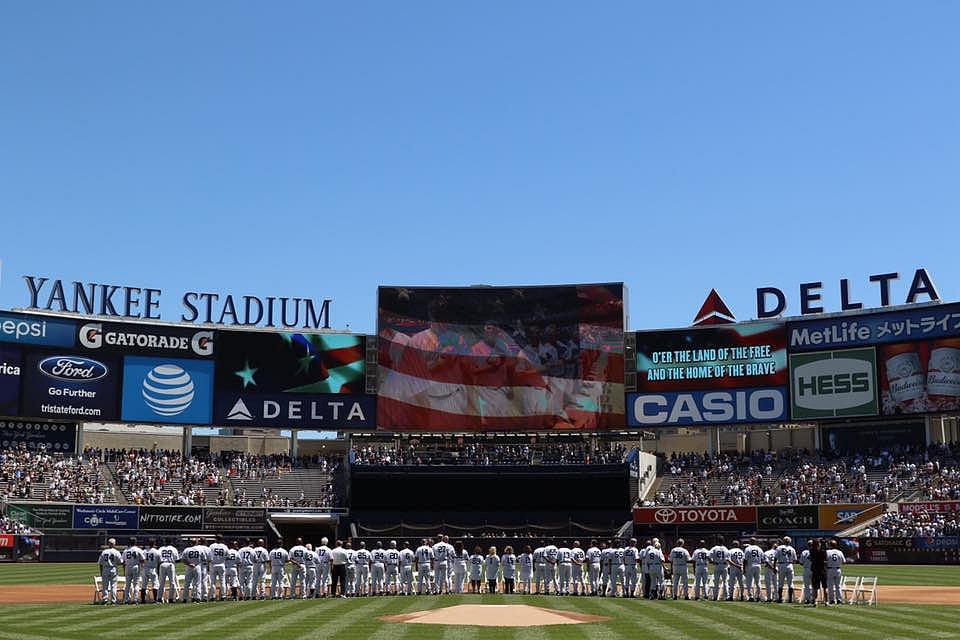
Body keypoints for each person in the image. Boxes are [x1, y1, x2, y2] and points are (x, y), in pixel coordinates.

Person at [98, 538, 123, 605]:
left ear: (108, 543)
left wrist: (101, 572)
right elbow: (120, 562)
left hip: (105, 569)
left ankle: (105, 599)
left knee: (105, 585)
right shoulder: (116, 552)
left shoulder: (104, 552)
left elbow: (100, 563)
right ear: (114, 544)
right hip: (113, 568)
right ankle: (113, 600)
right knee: (113, 586)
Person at [122, 536, 145, 604]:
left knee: (127, 584)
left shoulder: (126, 550)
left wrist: (124, 569)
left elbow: (123, 561)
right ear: (135, 542)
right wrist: (142, 567)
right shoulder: (138, 550)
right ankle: (135, 599)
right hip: (135, 566)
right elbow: (142, 560)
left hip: (128, 566)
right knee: (136, 584)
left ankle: (126, 599)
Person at [158, 537, 180, 604]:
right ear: (171, 542)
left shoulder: (161, 548)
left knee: (161, 582)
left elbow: (158, 558)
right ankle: (170, 599)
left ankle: (159, 598)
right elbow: (177, 559)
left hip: (162, 564)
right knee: (172, 583)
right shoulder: (173, 549)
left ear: (165, 541)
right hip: (170, 565)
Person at [776, 536, 798, 603]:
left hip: (782, 564)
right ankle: (790, 599)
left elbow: (775, 558)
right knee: (790, 583)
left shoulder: (779, 548)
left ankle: (780, 598)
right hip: (789, 565)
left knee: (780, 583)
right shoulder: (792, 548)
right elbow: (795, 560)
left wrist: (774, 567)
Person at [181, 538, 203, 603]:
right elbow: (204, 558)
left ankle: (185, 598)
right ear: (196, 542)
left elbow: (183, 559)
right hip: (197, 566)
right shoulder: (200, 549)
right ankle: (198, 598)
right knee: (197, 583)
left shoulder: (187, 549)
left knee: (187, 583)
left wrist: (189, 564)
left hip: (189, 567)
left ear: (191, 543)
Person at [743, 538, 764, 602]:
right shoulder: (759, 549)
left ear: (750, 542)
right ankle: (758, 596)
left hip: (750, 565)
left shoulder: (748, 548)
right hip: (758, 565)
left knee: (749, 582)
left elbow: (745, 560)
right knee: (758, 582)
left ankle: (751, 596)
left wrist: (744, 568)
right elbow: (762, 559)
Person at [209, 534, 230, 601]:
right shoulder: (225, 546)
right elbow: (228, 556)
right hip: (221, 564)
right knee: (223, 581)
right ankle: (223, 596)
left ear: (216, 538)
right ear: (221, 539)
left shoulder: (211, 546)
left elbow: (209, 556)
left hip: (213, 564)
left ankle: (212, 596)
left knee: (213, 582)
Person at [825, 540, 846, 606]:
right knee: (838, 586)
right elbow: (844, 562)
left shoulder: (827, 552)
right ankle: (839, 600)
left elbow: (824, 561)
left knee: (830, 586)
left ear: (830, 545)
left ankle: (832, 600)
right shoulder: (840, 552)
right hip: (838, 569)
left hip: (830, 569)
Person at [709, 536, 729, 601]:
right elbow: (728, 558)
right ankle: (727, 596)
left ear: (717, 541)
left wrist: (712, 562)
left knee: (716, 582)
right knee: (725, 582)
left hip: (717, 565)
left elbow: (708, 555)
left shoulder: (715, 548)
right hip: (724, 566)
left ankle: (715, 597)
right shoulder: (726, 549)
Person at [142, 539, 161, 604]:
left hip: (145, 568)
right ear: (154, 543)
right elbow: (160, 561)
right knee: (155, 585)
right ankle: (155, 600)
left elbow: (142, 560)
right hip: (153, 569)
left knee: (144, 585)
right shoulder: (157, 551)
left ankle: (143, 600)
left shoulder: (144, 551)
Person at [809, 539, 827, 607]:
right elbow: (825, 560)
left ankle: (815, 601)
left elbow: (811, 559)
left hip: (815, 570)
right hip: (822, 570)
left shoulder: (811, 551)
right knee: (825, 587)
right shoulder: (822, 551)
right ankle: (826, 601)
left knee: (815, 587)